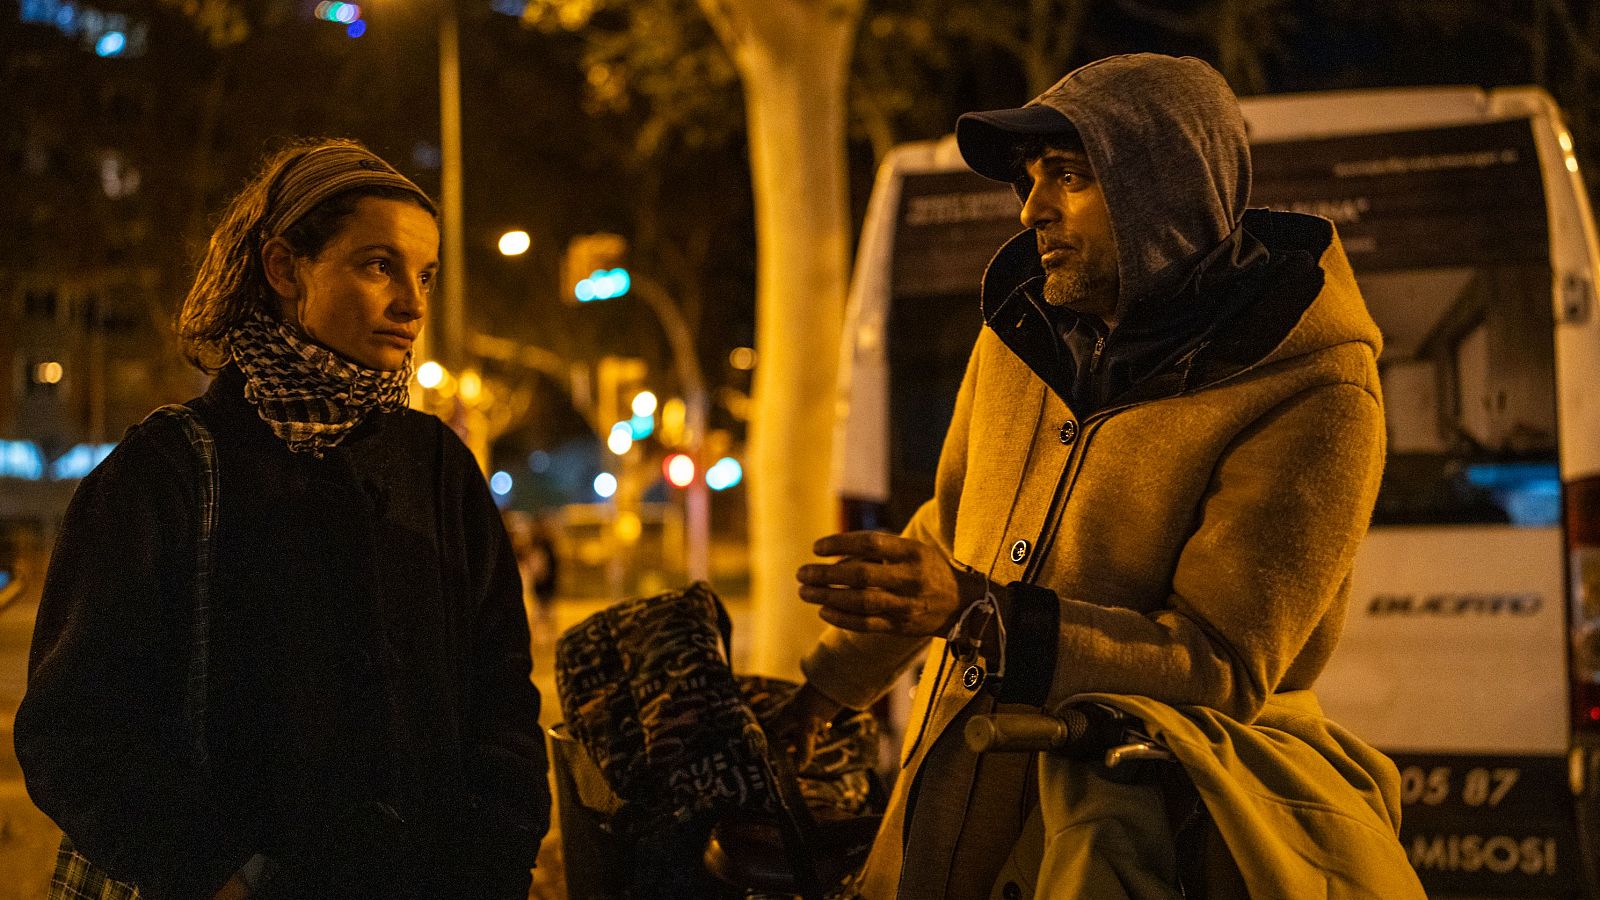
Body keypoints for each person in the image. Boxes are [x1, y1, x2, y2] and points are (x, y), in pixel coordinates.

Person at [783, 54, 1419, 897]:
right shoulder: (1018, 337)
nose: (1032, 208)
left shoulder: (1314, 388)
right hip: (941, 827)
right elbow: (953, 530)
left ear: (1165, 195)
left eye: (1070, 177)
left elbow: (1217, 665)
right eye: (1031, 178)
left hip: (1116, 849)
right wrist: (822, 693)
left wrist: (982, 615)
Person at [15, 138, 550, 900]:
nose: (413, 303)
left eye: (426, 274)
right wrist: (216, 873)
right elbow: (74, 727)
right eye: (379, 265)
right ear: (284, 268)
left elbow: (502, 700)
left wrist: (493, 864)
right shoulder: (166, 470)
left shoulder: (437, 467)